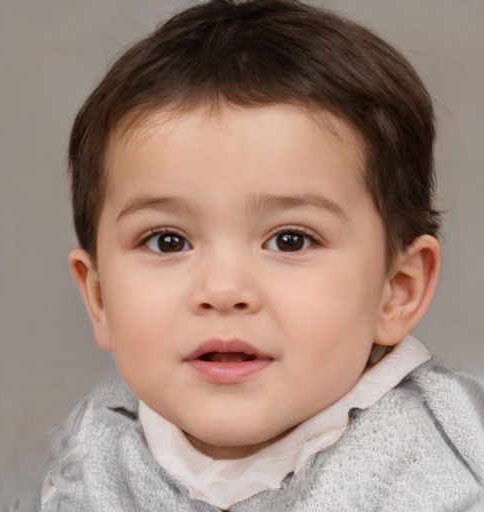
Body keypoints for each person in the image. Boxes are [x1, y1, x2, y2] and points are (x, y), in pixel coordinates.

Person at [40, 0, 484, 510]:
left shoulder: (438, 471)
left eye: (290, 240)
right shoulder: (94, 456)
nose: (224, 290)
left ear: (396, 291)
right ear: (99, 298)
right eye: (168, 241)